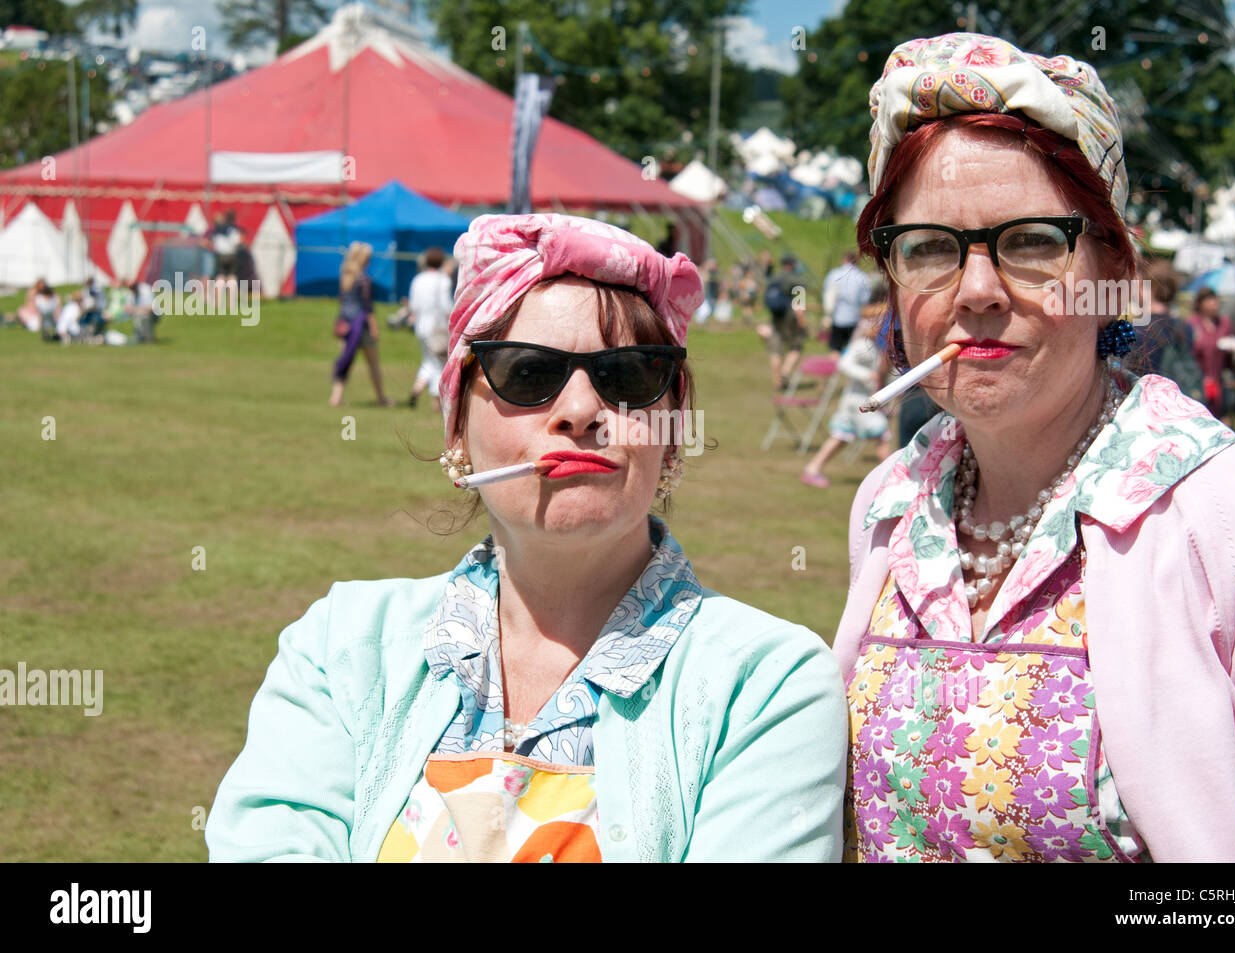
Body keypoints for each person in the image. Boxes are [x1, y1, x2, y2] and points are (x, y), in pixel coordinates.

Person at [207, 213, 847, 862]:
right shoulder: (342, 647)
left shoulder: (765, 685)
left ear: (672, 429)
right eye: (529, 373)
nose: (579, 409)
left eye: (626, 375)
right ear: (456, 426)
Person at [836, 32, 1235, 863]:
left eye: (1031, 241)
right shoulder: (888, 502)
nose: (976, 291)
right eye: (931, 247)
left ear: (1113, 264)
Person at [800, 316, 892, 489]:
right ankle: (895, 479)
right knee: (882, 436)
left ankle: (813, 468)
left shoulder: (881, 349)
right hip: (858, 401)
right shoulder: (862, 345)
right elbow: (844, 363)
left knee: (840, 437)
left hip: (865, 400)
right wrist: (867, 376)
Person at [329, 241, 393, 408]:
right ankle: (381, 398)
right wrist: (374, 327)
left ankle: (335, 397)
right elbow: (367, 306)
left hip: (346, 324)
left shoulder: (345, 276)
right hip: (361, 325)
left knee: (346, 360)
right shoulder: (364, 279)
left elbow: (342, 302)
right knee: (373, 364)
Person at [1136, 259, 1203, 403]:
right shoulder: (1185, 327)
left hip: (1148, 405)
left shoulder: (1138, 330)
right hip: (1177, 402)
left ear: (1149, 288)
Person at [406, 247, 454, 411]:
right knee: (439, 363)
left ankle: (417, 389)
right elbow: (446, 306)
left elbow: (413, 306)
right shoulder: (443, 280)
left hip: (420, 325)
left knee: (428, 360)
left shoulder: (418, 279)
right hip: (438, 326)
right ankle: (436, 401)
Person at [1187, 288, 1234, 419]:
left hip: (1218, 381)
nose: (1214, 304)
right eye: (1209, 300)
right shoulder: (1191, 324)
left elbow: (1231, 352)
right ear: (1200, 303)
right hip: (1196, 382)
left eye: (1215, 300)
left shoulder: (1224, 324)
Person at [765, 253, 807, 389]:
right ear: (791, 264)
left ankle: (776, 381)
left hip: (776, 317)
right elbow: (799, 303)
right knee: (796, 346)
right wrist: (802, 320)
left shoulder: (774, 279)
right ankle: (785, 372)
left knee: (776, 349)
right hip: (791, 319)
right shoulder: (795, 280)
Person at [823, 250, 877, 353]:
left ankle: (836, 367)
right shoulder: (862, 277)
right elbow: (865, 299)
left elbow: (827, 294)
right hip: (854, 318)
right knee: (850, 349)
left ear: (844, 260)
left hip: (836, 316)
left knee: (835, 348)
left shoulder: (834, 274)